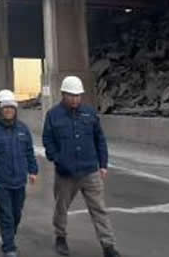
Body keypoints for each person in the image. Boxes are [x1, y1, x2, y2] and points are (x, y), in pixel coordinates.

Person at [42, 76, 120, 257]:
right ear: (63, 94)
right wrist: (57, 158)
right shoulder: (53, 115)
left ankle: (108, 245)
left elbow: (99, 139)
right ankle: (60, 237)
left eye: (78, 95)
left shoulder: (89, 113)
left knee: (99, 209)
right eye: (71, 95)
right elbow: (48, 140)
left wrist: (103, 164)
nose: (75, 99)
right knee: (61, 208)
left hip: (90, 171)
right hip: (65, 173)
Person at [0, 89, 38, 257]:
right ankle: (9, 247)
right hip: (1, 181)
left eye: (11, 107)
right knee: (6, 214)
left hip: (20, 179)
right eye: (5, 107)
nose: (8, 110)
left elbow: (29, 152)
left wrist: (33, 170)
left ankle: (8, 236)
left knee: (16, 213)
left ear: (15, 109)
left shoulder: (23, 129)